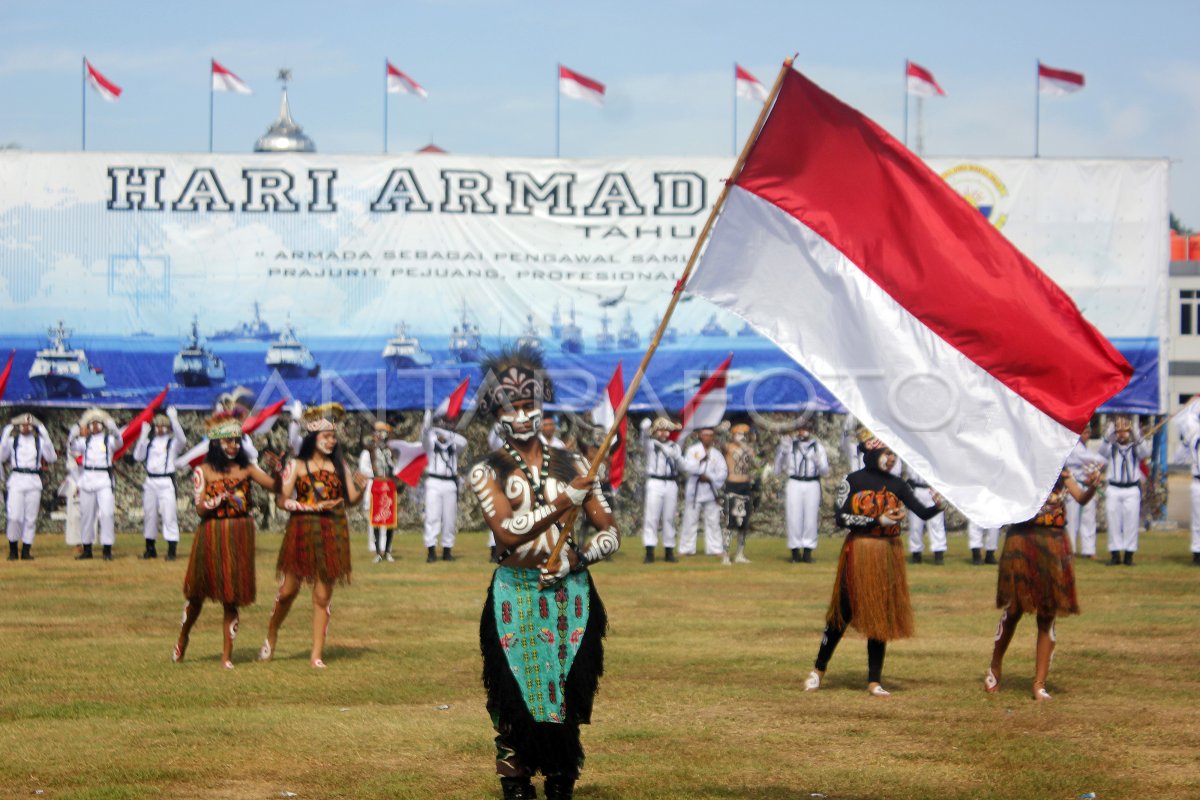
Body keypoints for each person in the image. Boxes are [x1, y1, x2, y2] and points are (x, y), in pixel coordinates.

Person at [468, 346, 620, 800]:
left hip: (571, 596)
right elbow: (506, 533)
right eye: (511, 407)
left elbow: (609, 533)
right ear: (496, 413)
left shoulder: (575, 463)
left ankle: (560, 778)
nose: (522, 414)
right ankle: (515, 782)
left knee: (567, 692)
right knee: (512, 694)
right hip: (514, 591)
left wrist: (577, 560)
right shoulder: (485, 470)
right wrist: (563, 502)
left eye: (529, 404)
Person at [804, 434, 941, 697]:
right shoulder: (852, 481)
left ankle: (874, 680)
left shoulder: (898, 484)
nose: (891, 459)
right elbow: (841, 518)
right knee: (842, 611)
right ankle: (818, 670)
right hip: (859, 551)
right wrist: (877, 521)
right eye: (886, 453)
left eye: (893, 454)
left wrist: (938, 506)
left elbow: (921, 512)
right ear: (871, 452)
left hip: (885, 554)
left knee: (879, 615)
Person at [260, 403, 366, 669]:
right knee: (288, 591)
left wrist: (362, 487)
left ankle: (316, 655)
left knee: (322, 596)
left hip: (332, 531)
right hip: (302, 531)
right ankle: (272, 631)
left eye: (333, 436)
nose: (331, 440)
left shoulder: (339, 464)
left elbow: (351, 500)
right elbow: (283, 501)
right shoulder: (296, 465)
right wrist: (310, 507)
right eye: (326, 436)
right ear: (313, 438)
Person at [172, 410, 279, 669]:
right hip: (211, 534)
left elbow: (275, 487)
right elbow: (199, 508)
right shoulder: (204, 471)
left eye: (236, 440)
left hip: (239, 534)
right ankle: (183, 638)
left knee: (231, 597)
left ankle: (227, 656)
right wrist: (218, 499)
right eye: (227, 441)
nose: (233, 445)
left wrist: (279, 469)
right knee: (196, 595)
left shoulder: (247, 469)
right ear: (216, 444)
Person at [985, 465, 1100, 700]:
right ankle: (995, 667)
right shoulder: (1021, 466)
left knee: (1048, 612)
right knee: (1015, 608)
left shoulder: (1062, 470)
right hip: (1023, 539)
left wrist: (1092, 486)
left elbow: (1080, 497)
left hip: (1054, 540)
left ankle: (1039, 683)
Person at [2, 412, 58, 561]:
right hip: (17, 479)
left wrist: (44, 433)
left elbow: (52, 457)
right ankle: (13, 549)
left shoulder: (39, 441)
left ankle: (26, 550)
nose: (25, 427)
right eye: (22, 424)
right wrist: (6, 433)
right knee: (14, 516)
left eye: (28, 424)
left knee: (30, 518)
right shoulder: (12, 441)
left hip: (33, 480)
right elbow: (1, 457)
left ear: (33, 427)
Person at [133, 407, 186, 561]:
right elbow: (137, 456)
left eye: (163, 425)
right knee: (150, 515)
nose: (160, 428)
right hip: (150, 481)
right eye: (157, 425)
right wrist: (142, 435)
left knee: (169, 515)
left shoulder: (172, 442)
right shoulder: (149, 442)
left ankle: (171, 550)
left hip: (165, 481)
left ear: (168, 428)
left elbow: (182, 439)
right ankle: (150, 548)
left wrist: (174, 419)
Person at [69, 408, 122, 561]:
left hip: (104, 479)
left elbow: (119, 442)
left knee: (106, 514)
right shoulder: (84, 441)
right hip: (87, 479)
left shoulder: (108, 440)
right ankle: (87, 549)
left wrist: (114, 428)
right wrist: (74, 431)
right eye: (91, 424)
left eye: (98, 424)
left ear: (102, 426)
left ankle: (107, 549)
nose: (95, 427)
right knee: (87, 515)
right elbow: (72, 446)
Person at [774, 418, 829, 563]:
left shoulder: (818, 447)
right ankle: (794, 551)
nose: (803, 431)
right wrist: (782, 451)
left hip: (812, 482)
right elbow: (777, 469)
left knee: (811, 517)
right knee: (793, 516)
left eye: (807, 428)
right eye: (801, 428)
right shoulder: (789, 445)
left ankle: (808, 551)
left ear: (811, 431)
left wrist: (818, 461)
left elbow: (825, 471)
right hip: (794, 482)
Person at [1098, 415, 1151, 566]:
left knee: (1131, 522)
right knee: (1113, 521)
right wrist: (1110, 432)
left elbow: (1145, 452)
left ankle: (1129, 555)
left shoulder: (1135, 447)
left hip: (1131, 489)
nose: (1122, 434)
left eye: (1125, 431)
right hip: (1114, 488)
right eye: (1119, 431)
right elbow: (1101, 451)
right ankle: (1115, 554)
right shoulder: (1111, 447)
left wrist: (1136, 433)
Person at [422, 408, 468, 563]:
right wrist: (429, 413)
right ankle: (431, 550)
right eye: (443, 422)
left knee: (450, 518)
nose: (446, 425)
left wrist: (446, 433)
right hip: (434, 482)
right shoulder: (430, 443)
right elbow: (425, 431)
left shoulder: (455, 443)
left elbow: (464, 442)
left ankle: (447, 550)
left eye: (448, 423)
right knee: (432, 516)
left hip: (450, 483)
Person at [638, 416, 683, 563]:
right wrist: (645, 428)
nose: (663, 433)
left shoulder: (674, 446)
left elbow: (678, 460)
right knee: (652, 517)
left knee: (669, 518)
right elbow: (643, 440)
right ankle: (649, 551)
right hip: (655, 482)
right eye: (660, 430)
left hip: (670, 483)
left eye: (666, 430)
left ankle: (669, 550)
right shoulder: (651, 444)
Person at [679, 427, 727, 557]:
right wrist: (700, 470)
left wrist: (710, 477)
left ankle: (715, 548)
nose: (708, 438)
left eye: (710, 435)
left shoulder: (717, 454)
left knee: (713, 521)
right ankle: (686, 548)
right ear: (700, 436)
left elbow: (723, 472)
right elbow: (687, 466)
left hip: (710, 491)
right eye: (705, 435)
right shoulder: (692, 451)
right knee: (690, 520)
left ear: (713, 437)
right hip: (695, 489)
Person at [359, 421, 400, 562]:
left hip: (388, 484)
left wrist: (388, 431)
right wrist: (363, 427)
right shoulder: (371, 449)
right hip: (376, 483)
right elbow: (362, 443)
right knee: (376, 518)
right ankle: (378, 552)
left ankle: (387, 550)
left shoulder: (390, 450)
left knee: (389, 519)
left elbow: (394, 466)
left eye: (382, 433)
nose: (380, 435)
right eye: (378, 433)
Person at [1064, 426, 1106, 559]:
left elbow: (1093, 463)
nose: (1086, 435)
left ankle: (1089, 549)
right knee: (1072, 520)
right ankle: (1071, 549)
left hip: (1086, 486)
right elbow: (1096, 460)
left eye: (1088, 432)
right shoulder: (1074, 448)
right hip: (1073, 486)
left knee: (1089, 519)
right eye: (1084, 432)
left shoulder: (1084, 448)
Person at [722, 423, 758, 565]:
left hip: (745, 485)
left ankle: (740, 553)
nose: (742, 437)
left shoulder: (749, 450)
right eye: (739, 434)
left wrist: (746, 448)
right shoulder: (728, 448)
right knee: (729, 522)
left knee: (743, 522)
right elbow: (720, 441)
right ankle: (725, 554)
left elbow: (756, 464)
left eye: (744, 434)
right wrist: (724, 430)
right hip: (732, 485)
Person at [904, 464, 946, 565]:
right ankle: (916, 553)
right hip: (916, 489)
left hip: (933, 488)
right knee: (915, 524)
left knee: (936, 522)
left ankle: (938, 553)